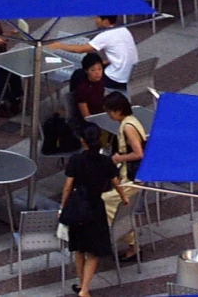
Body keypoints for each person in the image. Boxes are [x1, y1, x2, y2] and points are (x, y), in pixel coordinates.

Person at [61, 123, 128, 297]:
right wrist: (124, 197)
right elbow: (116, 182)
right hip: (95, 208)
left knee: (79, 248)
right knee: (94, 251)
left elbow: (67, 187)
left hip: (78, 206)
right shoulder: (105, 161)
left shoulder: (76, 160)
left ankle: (82, 284)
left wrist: (63, 206)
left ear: (83, 141)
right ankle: (84, 289)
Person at [100, 91, 146, 262]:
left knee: (108, 202)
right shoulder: (131, 121)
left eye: (110, 112)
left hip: (132, 178)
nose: (109, 115)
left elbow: (138, 153)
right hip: (132, 176)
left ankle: (130, 242)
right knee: (119, 209)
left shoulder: (127, 127)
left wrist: (119, 158)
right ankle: (130, 242)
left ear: (118, 111)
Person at [48, 15, 138, 90]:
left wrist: (59, 45)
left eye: (97, 18)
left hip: (116, 79)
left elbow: (81, 50)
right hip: (130, 75)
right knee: (96, 64)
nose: (95, 20)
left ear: (105, 21)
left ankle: (78, 104)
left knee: (78, 74)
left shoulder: (106, 35)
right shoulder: (124, 30)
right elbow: (124, 53)